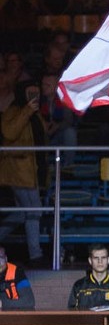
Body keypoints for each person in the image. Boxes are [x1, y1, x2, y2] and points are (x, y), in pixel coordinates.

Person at [0, 80, 45, 264]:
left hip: (32, 171)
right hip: (18, 170)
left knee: (22, 213)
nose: (34, 96)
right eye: (30, 92)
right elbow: (9, 132)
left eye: (36, 92)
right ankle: (36, 254)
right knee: (34, 211)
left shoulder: (36, 114)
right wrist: (26, 110)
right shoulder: (13, 110)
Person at [0, 244, 35, 310]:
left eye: (0, 258)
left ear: (6, 259)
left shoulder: (17, 273)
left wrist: (2, 303)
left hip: (16, 316)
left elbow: (29, 302)